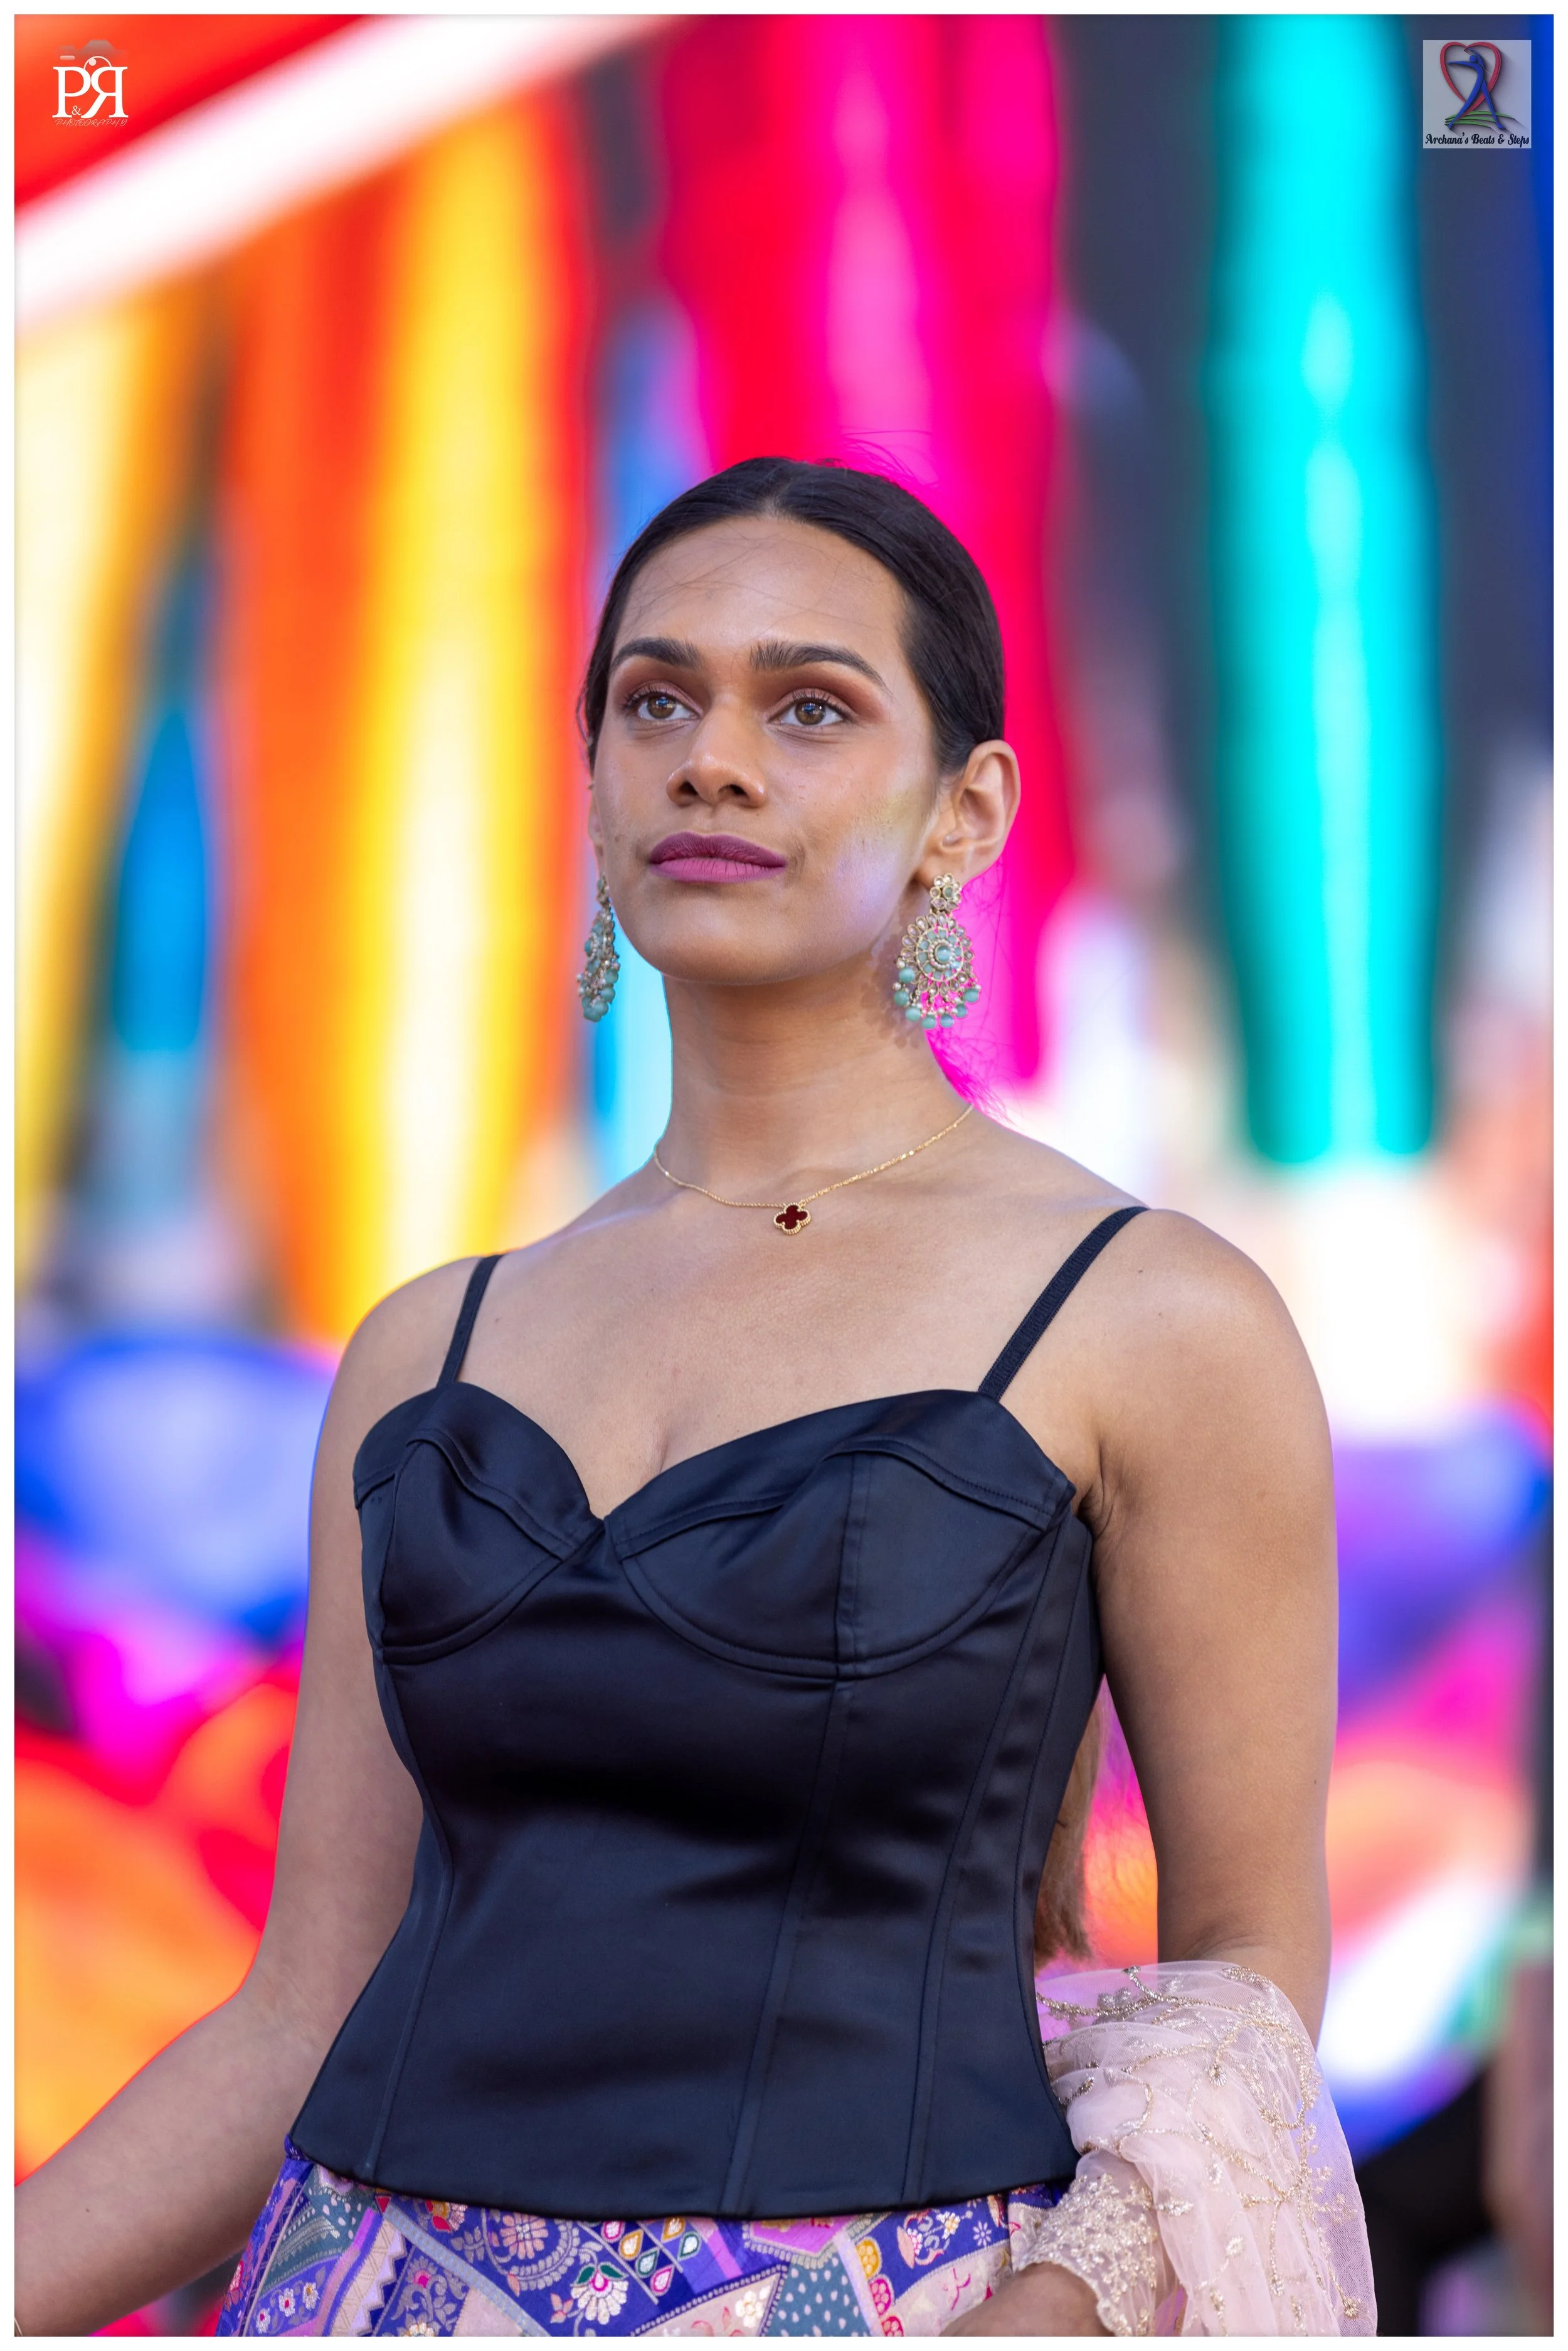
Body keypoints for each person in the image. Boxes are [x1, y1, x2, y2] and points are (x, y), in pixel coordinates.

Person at [15, 459, 1374, 2338]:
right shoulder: (430, 1349)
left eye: (807, 707)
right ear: (588, 790)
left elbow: (1243, 1968)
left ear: (961, 812)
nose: (712, 760)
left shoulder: (1145, 1316)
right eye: (655, 700)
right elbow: (299, 2012)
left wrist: (1056, 2305)